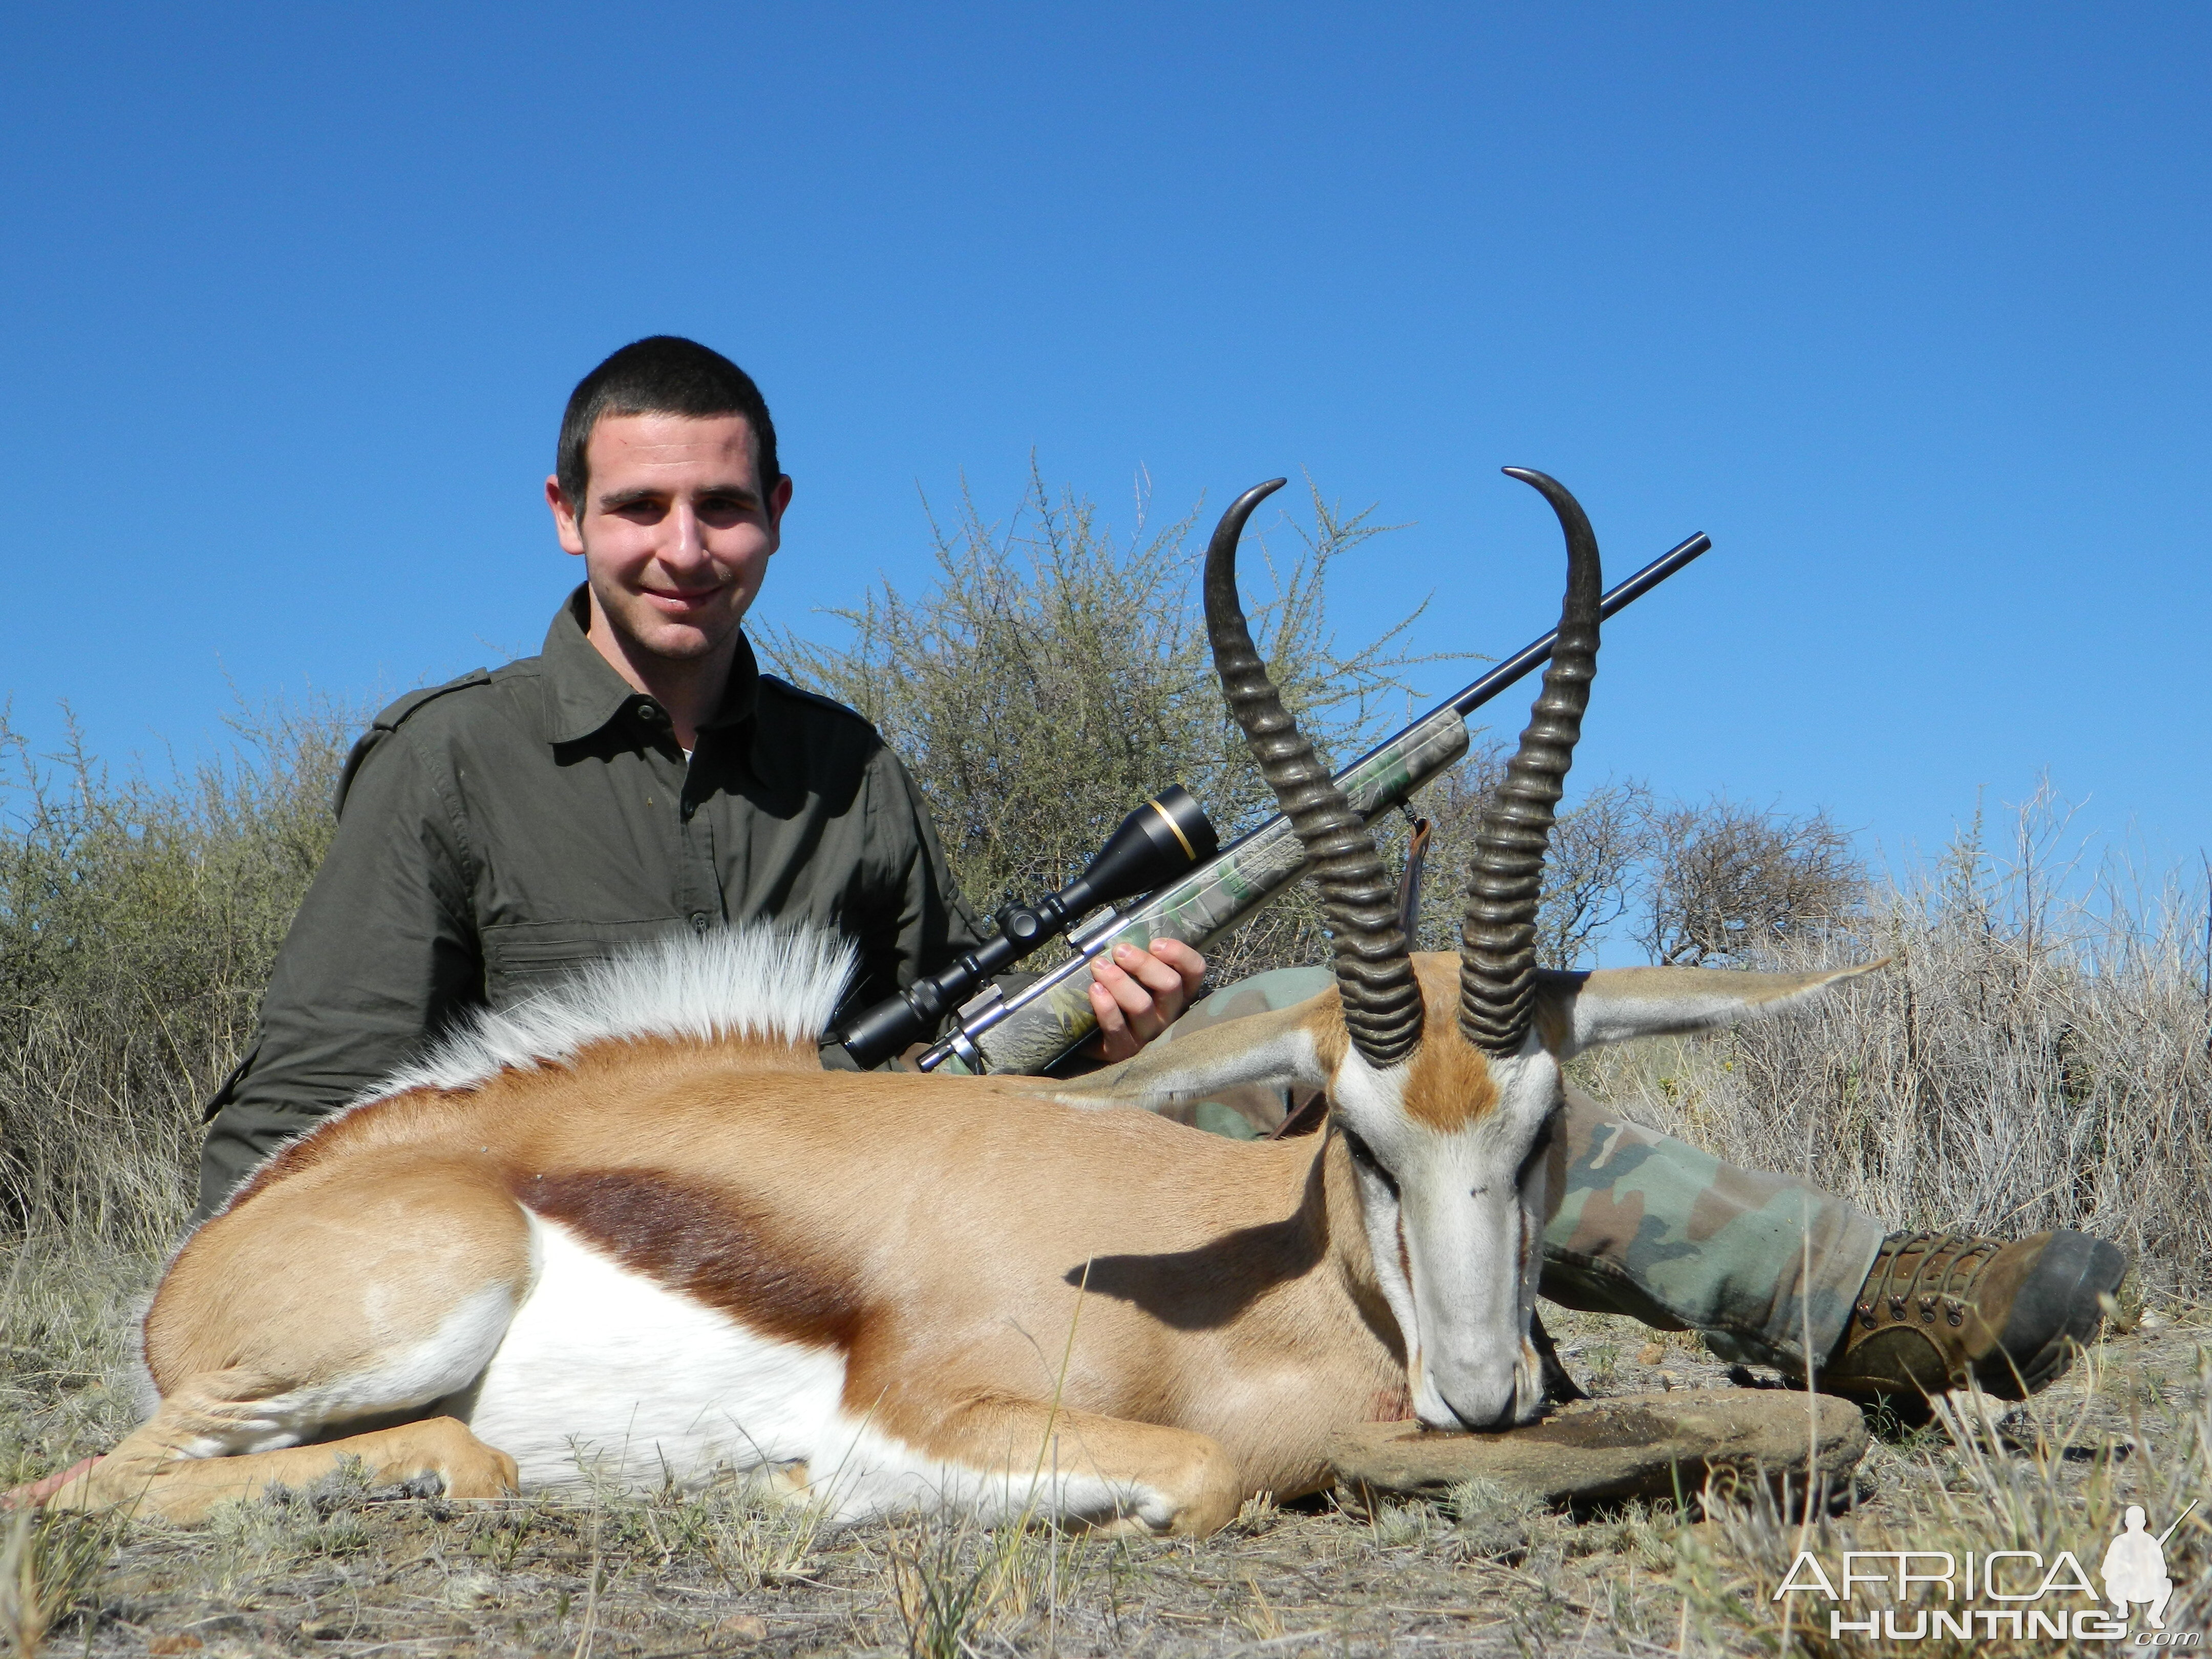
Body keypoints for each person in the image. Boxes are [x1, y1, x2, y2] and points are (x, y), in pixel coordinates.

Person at [196, 335, 2128, 1411]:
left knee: (1404, 1038)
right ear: (569, 515)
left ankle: (1852, 1293)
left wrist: (1116, 1011)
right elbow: (307, 1101)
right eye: (641, 507)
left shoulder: (848, 762)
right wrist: (272, 1293)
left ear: (778, 518)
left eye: (723, 504)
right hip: (661, 1228)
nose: (682, 544)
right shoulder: (449, 759)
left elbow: (952, 1013)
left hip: (911, 1152)